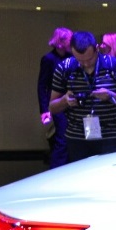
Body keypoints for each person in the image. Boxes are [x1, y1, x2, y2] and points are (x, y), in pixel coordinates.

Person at [49, 31, 116, 162]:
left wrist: (111, 96)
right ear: (72, 51)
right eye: (80, 60)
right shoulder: (64, 68)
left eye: (89, 59)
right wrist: (64, 101)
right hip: (77, 137)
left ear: (97, 49)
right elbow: (52, 107)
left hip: (110, 136)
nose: (85, 64)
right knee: (80, 173)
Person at [38, 27, 72, 168]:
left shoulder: (71, 57)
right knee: (62, 138)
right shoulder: (49, 59)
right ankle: (57, 168)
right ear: (61, 41)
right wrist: (44, 110)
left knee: (68, 137)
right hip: (57, 102)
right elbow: (42, 85)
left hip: (70, 102)